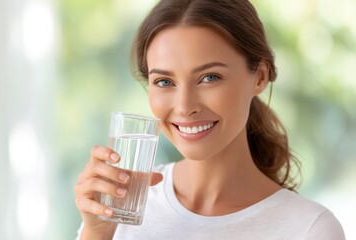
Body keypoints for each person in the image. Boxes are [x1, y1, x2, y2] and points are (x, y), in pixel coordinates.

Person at [74, 0, 345, 239]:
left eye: (209, 77)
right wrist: (96, 235)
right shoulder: (119, 210)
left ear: (259, 77)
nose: (184, 106)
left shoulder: (309, 230)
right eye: (165, 81)